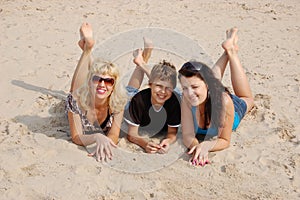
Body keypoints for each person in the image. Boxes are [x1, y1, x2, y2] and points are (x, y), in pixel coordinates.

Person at [178, 28, 254, 166]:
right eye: (184, 88)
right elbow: (187, 135)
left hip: (230, 107)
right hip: (208, 92)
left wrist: (207, 145)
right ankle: (228, 49)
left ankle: (231, 53)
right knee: (204, 83)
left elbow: (224, 140)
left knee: (247, 98)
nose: (189, 93)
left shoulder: (225, 102)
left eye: (193, 87)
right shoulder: (186, 98)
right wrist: (197, 147)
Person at [65, 22, 127, 161]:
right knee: (74, 90)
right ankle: (87, 50)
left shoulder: (118, 103)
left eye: (109, 81)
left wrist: (107, 142)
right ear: (90, 81)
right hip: (83, 96)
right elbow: (76, 137)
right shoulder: (75, 101)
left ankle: (87, 50)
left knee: (91, 79)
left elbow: (114, 134)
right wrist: (97, 137)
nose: (102, 84)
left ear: (114, 86)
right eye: (97, 79)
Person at [124, 38, 181, 154]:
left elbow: (172, 133)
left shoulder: (174, 101)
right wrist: (144, 143)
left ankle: (141, 61)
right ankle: (141, 61)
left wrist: (168, 141)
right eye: (159, 86)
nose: (163, 92)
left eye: (168, 88)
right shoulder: (138, 100)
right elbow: (132, 134)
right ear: (149, 84)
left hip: (169, 93)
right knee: (129, 92)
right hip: (135, 101)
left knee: (166, 84)